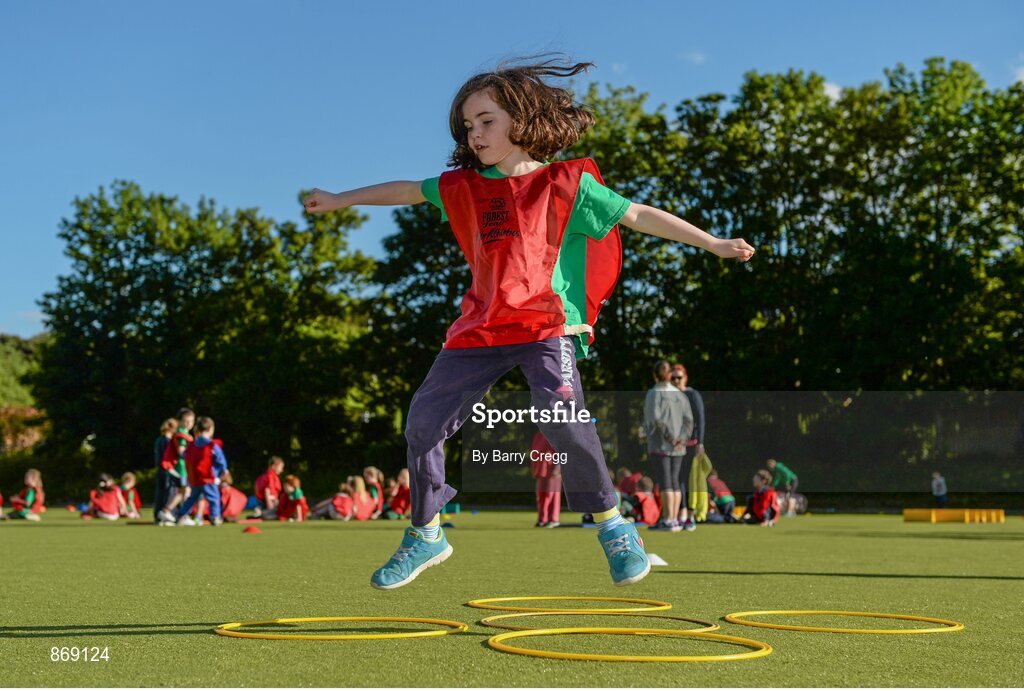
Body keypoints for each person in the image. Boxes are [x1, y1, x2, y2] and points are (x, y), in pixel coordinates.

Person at [303, 55, 753, 590]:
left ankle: (615, 528)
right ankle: (426, 532)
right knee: (423, 422)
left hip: (544, 325)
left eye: (486, 120)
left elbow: (637, 214)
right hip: (480, 328)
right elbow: (405, 190)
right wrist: (340, 199)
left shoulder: (566, 183)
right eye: (467, 126)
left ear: (520, 120)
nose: (474, 133)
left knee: (562, 415)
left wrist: (712, 243)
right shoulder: (464, 188)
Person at [643, 360, 693, 533]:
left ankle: (668, 519)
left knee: (666, 482)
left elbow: (655, 419)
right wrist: (682, 438)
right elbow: (689, 420)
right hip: (679, 446)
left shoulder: (654, 393)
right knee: (675, 481)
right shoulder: (680, 395)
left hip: (661, 444)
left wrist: (671, 438)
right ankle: (675, 519)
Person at [176, 416, 228, 527]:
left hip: (194, 478)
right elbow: (220, 459)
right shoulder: (211, 445)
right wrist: (223, 470)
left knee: (192, 498)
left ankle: (181, 515)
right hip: (208, 477)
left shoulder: (192, 445)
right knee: (214, 498)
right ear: (210, 429)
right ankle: (215, 517)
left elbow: (185, 456)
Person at [673, 364, 705, 531]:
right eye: (673, 378)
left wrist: (700, 443)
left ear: (685, 377)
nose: (676, 381)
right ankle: (682, 514)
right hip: (675, 447)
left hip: (692, 445)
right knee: (678, 480)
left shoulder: (692, 394)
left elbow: (700, 419)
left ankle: (691, 516)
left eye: (679, 377)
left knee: (691, 480)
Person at [158, 409, 195, 523]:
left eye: (191, 421)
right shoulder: (182, 434)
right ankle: (183, 516)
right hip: (180, 468)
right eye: (186, 421)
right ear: (179, 422)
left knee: (182, 492)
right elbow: (181, 451)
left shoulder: (183, 432)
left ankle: (166, 511)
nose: (189, 424)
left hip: (181, 468)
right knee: (186, 491)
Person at [531, 430, 562, 528]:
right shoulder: (538, 435)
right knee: (541, 496)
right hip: (541, 470)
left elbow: (561, 452)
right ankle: (542, 519)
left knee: (552, 495)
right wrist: (534, 468)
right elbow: (534, 452)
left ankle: (553, 519)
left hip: (553, 471)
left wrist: (557, 468)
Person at [152, 417, 178, 523]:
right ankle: (168, 514)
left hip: (160, 470)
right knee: (170, 492)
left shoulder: (159, 440)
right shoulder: (169, 442)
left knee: (160, 493)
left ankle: (158, 514)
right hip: (168, 469)